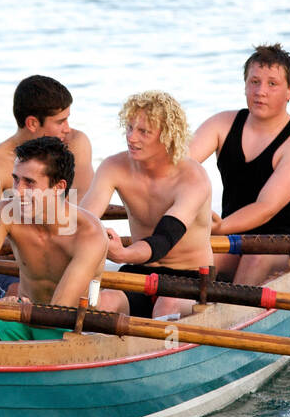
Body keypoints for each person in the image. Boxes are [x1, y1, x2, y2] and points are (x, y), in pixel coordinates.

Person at [0, 137, 125, 341]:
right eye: (16, 179)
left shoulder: (89, 234)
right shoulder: (6, 212)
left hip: (69, 323)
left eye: (29, 183)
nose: (17, 191)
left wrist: (15, 305)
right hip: (22, 316)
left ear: (58, 187)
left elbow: (59, 308)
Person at [189, 43, 290, 286]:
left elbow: (266, 207)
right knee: (196, 259)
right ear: (245, 85)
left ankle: (234, 312)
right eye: (254, 82)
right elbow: (177, 167)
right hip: (235, 235)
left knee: (255, 258)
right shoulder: (222, 124)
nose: (260, 91)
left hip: (289, 243)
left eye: (272, 84)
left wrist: (216, 228)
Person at [81, 91, 214, 318]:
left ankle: (164, 350)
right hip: (138, 272)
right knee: (103, 303)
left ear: (168, 137)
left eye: (143, 132)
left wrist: (121, 254)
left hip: (191, 277)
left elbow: (164, 239)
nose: (131, 138)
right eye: (130, 128)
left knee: (167, 306)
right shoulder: (114, 166)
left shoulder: (193, 178)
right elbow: (84, 219)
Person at [0, 75, 96, 204]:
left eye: (67, 119)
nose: (67, 129)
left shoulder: (76, 142)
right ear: (32, 123)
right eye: (60, 122)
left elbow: (84, 204)